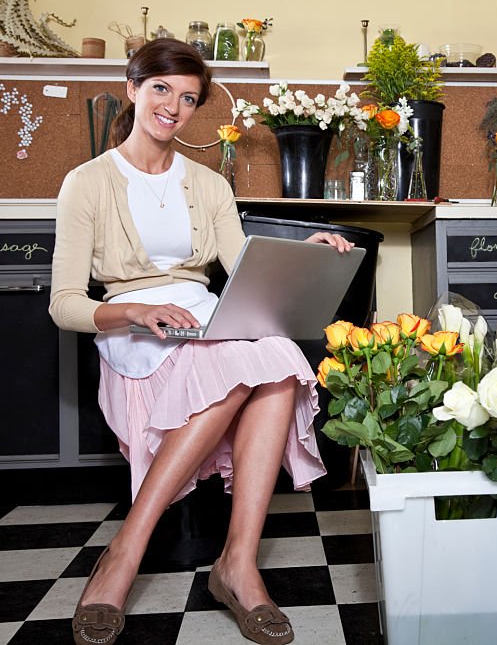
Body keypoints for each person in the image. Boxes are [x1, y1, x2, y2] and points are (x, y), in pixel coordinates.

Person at [49, 37, 352, 645]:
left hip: (205, 319)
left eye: (189, 98)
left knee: (277, 360)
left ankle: (238, 564)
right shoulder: (85, 183)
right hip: (134, 330)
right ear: (133, 89)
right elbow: (64, 306)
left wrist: (303, 255)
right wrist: (134, 308)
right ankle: (126, 553)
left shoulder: (209, 185)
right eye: (161, 89)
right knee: (255, 363)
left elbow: (242, 270)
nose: (174, 106)